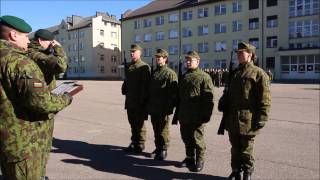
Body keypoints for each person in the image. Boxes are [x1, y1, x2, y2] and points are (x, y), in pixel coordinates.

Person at [0, 15, 72, 180]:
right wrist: (66, 99)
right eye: (25, 36)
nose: (27, 40)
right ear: (13, 35)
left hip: (8, 140)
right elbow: (41, 102)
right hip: (24, 142)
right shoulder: (20, 62)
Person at [222, 42, 271, 180]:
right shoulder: (235, 73)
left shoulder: (258, 73)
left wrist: (262, 118)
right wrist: (223, 101)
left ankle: (247, 172)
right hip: (232, 117)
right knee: (235, 148)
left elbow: (265, 99)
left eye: (241, 52)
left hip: (248, 118)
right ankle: (236, 170)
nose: (238, 55)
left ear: (250, 55)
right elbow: (228, 93)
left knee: (246, 149)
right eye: (237, 53)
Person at [27, 29, 68, 179]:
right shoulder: (35, 54)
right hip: (40, 107)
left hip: (44, 104)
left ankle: (40, 174)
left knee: (43, 147)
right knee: (39, 148)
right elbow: (61, 66)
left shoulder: (38, 53)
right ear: (40, 41)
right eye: (49, 42)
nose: (51, 44)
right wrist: (58, 48)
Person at [177, 51, 214, 172]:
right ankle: (189, 157)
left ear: (197, 62)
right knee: (186, 137)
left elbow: (208, 99)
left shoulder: (204, 77)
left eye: (190, 60)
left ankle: (200, 160)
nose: (188, 62)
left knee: (197, 138)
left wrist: (206, 114)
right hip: (184, 114)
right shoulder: (184, 76)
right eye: (186, 60)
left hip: (197, 115)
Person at [147, 49, 178, 160]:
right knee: (156, 129)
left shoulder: (170, 73)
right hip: (153, 106)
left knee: (163, 129)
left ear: (165, 59)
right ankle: (158, 147)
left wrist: (169, 107)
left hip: (163, 107)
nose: (157, 59)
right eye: (157, 57)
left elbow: (174, 93)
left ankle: (163, 149)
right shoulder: (154, 72)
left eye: (160, 57)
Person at [121, 44, 151, 154]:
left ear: (140, 53)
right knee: (132, 122)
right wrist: (124, 88)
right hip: (130, 100)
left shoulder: (144, 67)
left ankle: (140, 143)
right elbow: (127, 81)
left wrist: (143, 100)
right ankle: (134, 142)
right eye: (131, 52)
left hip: (139, 101)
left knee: (140, 123)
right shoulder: (129, 66)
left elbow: (145, 85)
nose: (132, 53)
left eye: (134, 52)